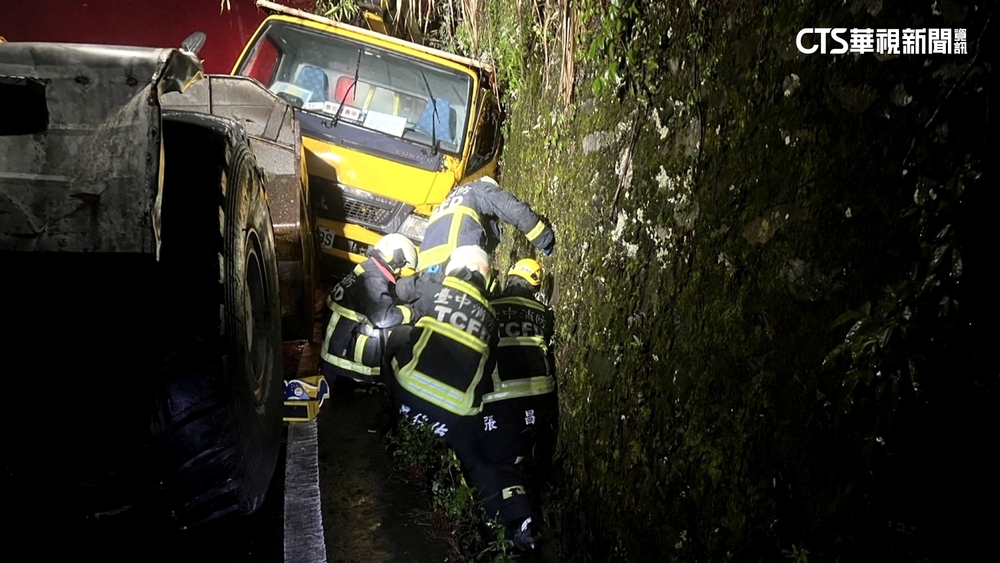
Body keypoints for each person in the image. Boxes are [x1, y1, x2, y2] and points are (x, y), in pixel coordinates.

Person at [386, 246, 538, 550]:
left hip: (408, 393)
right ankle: (514, 526)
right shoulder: (491, 316)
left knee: (398, 335)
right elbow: (487, 369)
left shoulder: (437, 286)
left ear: (455, 266)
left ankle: (390, 417)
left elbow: (400, 290)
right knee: (480, 462)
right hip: (455, 416)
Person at [482, 258, 558, 471]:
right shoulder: (544, 313)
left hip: (497, 399)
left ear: (509, 278)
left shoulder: (488, 308)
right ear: (535, 288)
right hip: (541, 396)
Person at [318, 233, 417, 385]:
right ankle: (372, 378)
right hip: (342, 349)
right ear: (396, 259)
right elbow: (383, 318)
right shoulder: (374, 279)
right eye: (401, 267)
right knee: (394, 331)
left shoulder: (369, 268)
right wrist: (412, 311)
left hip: (336, 341)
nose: (399, 273)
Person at [416, 176, 556, 273]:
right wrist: (544, 240)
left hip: (425, 268)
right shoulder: (481, 190)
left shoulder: (446, 203)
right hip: (457, 258)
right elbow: (513, 210)